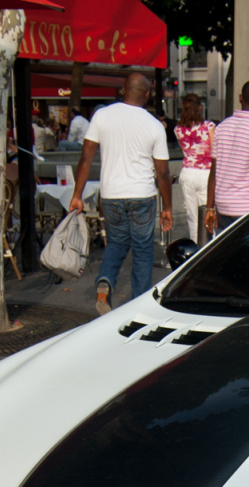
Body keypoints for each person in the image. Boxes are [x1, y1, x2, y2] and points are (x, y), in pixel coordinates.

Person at [69, 72, 172, 314]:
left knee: (116, 242)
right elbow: (163, 172)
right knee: (143, 249)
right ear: (147, 95)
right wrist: (167, 207)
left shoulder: (102, 116)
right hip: (142, 194)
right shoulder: (154, 125)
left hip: (111, 194)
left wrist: (77, 195)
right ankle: (140, 306)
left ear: (122, 89)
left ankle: (105, 283)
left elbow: (86, 157)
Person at [204, 79, 249, 233]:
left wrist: (210, 207)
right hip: (248, 208)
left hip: (222, 206)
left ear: (240, 98)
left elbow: (213, 172)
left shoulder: (221, 127)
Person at [174, 93, 215, 243]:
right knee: (208, 213)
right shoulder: (209, 126)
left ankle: (195, 247)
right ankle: (209, 245)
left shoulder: (178, 129)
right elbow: (214, 150)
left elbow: (183, 150)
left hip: (188, 173)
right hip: (206, 173)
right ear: (200, 107)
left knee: (192, 216)